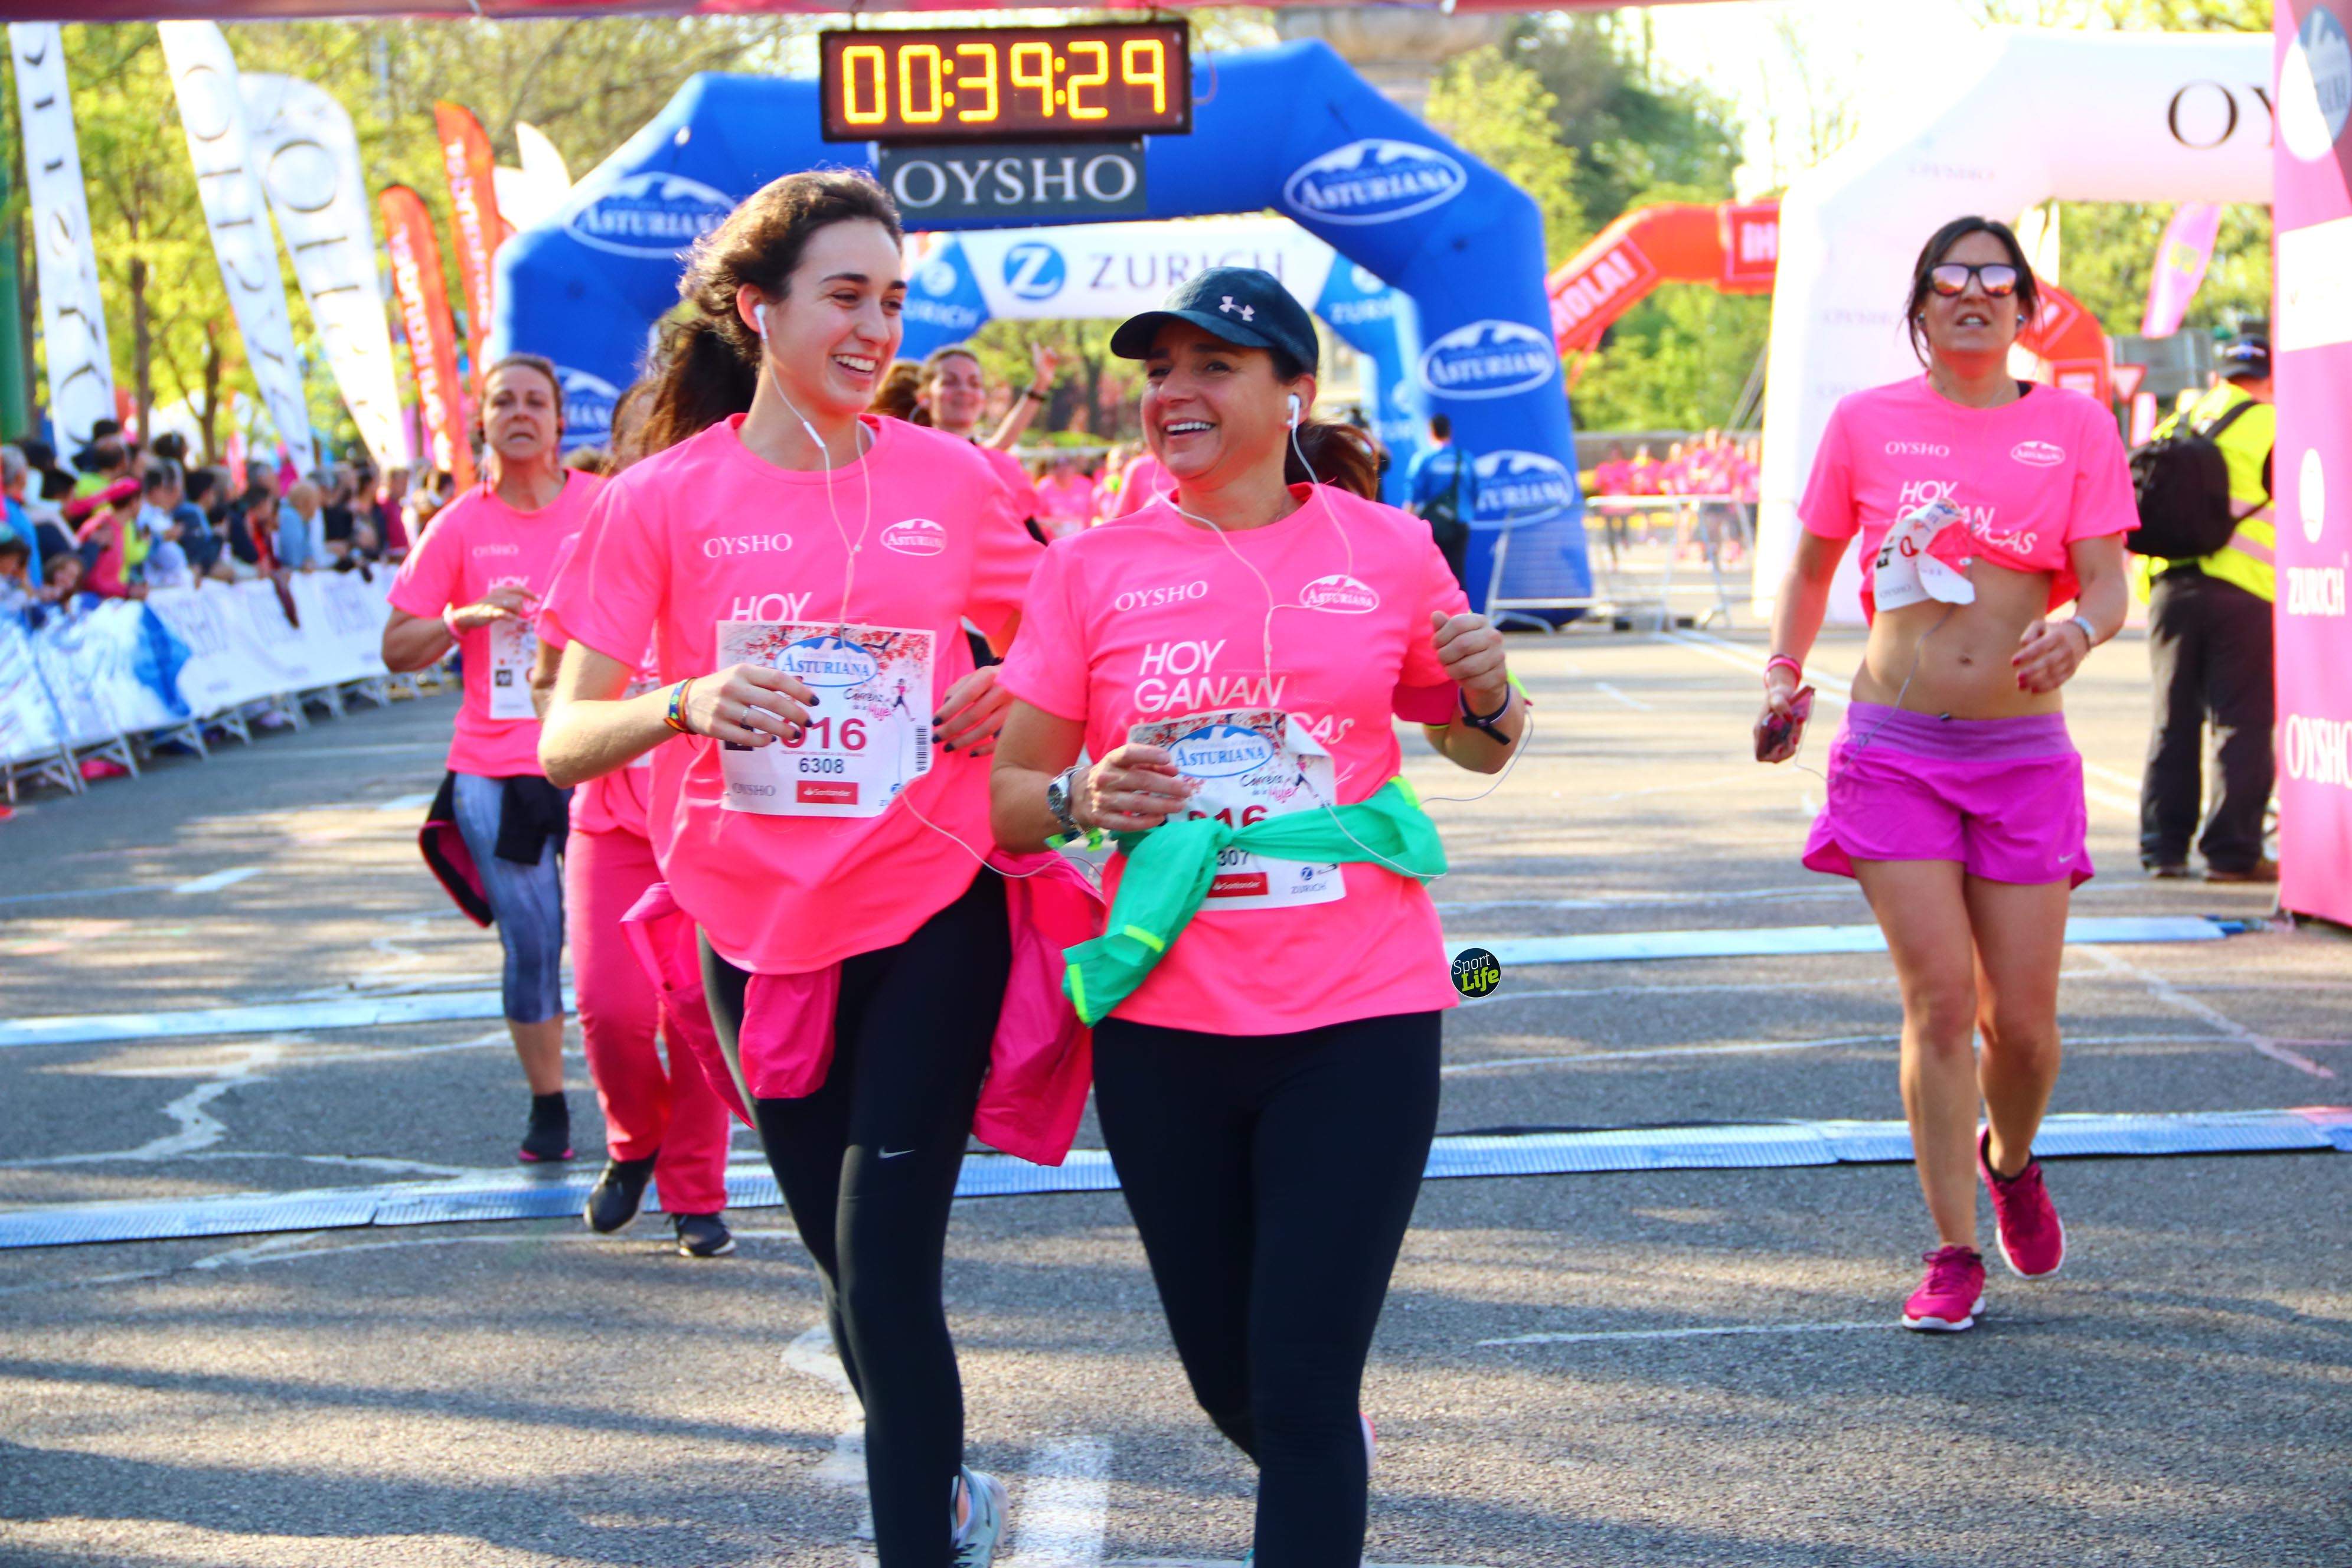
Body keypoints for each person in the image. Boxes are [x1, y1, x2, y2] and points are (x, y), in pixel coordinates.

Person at [537, 169, 1044, 1567]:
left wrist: (1010, 689)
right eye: (846, 295)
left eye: (892, 299)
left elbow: (1063, 649)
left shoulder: (951, 479)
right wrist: (688, 700)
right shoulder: (656, 502)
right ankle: (944, 1489)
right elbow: (568, 735)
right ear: (761, 311)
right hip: (750, 928)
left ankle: (919, 1543)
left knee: (887, 1269)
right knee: (843, 1262)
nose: (877, 326)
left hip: (935, 893)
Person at [989, 266, 1528, 1565]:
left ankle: (1317, 1453)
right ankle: (1320, 1450)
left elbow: (1482, 747)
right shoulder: (1092, 569)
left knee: (1295, 1390)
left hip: (1362, 1011)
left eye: (1213, 365)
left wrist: (1491, 691)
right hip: (1163, 1019)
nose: (1176, 391)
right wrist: (1079, 793)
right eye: (1160, 370)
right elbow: (1009, 806)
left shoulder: (1388, 545)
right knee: (1230, 1380)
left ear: (1295, 389)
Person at [1757, 217, 2134, 1334]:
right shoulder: (1864, 421)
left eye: (1994, 278)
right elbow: (1813, 563)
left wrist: (2079, 633)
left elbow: (2109, 584)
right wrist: (1782, 670)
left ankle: (2007, 1159)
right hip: (1893, 749)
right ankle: (1948, 1245)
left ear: (2024, 307)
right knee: (1934, 1002)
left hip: (2020, 755)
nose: (1971, 293)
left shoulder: (2072, 425)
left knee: (2017, 1024)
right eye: (1947, 278)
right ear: (1918, 307)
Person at [383, 354, 606, 1165]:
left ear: (557, 420)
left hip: (595, 757)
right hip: (494, 768)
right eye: (503, 402)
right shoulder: (458, 526)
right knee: (533, 939)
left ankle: (638, 1101)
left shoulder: (602, 507)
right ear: (484, 422)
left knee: (623, 949)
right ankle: (550, 1105)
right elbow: (396, 648)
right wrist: (466, 615)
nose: (520, 413)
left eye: (535, 401)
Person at [530, 510, 736, 1260]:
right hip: (611, 822)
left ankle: (695, 1194)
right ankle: (633, 1142)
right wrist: (549, 702)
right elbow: (549, 679)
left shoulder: (734, 545)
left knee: (698, 1016)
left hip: (704, 817)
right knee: (611, 1011)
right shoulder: (597, 551)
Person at [2137, 335, 2278, 884]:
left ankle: (2162, 849)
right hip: (2243, 590)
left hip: (2170, 587)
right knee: (2240, 723)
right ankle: (2231, 852)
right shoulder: (2274, 425)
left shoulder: (2178, 421)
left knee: (2172, 720)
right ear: (2269, 377)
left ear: (2221, 375)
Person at [1405, 411, 1476, 593]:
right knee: (1458, 573)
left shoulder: (1424, 459)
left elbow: (1413, 496)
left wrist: (1405, 525)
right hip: (1460, 524)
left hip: (1433, 526)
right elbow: (1475, 492)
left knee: (1433, 578)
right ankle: (1463, 615)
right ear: (1450, 431)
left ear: (1431, 433)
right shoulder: (1465, 458)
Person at [1031, 451, 1096, 540]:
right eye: (1059, 467)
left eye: (1067, 467)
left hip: (1082, 537)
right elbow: (1035, 518)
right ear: (1053, 470)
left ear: (1074, 469)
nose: (1063, 471)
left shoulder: (1085, 485)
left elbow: (1094, 512)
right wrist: (1055, 524)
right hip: (1054, 540)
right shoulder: (1044, 487)